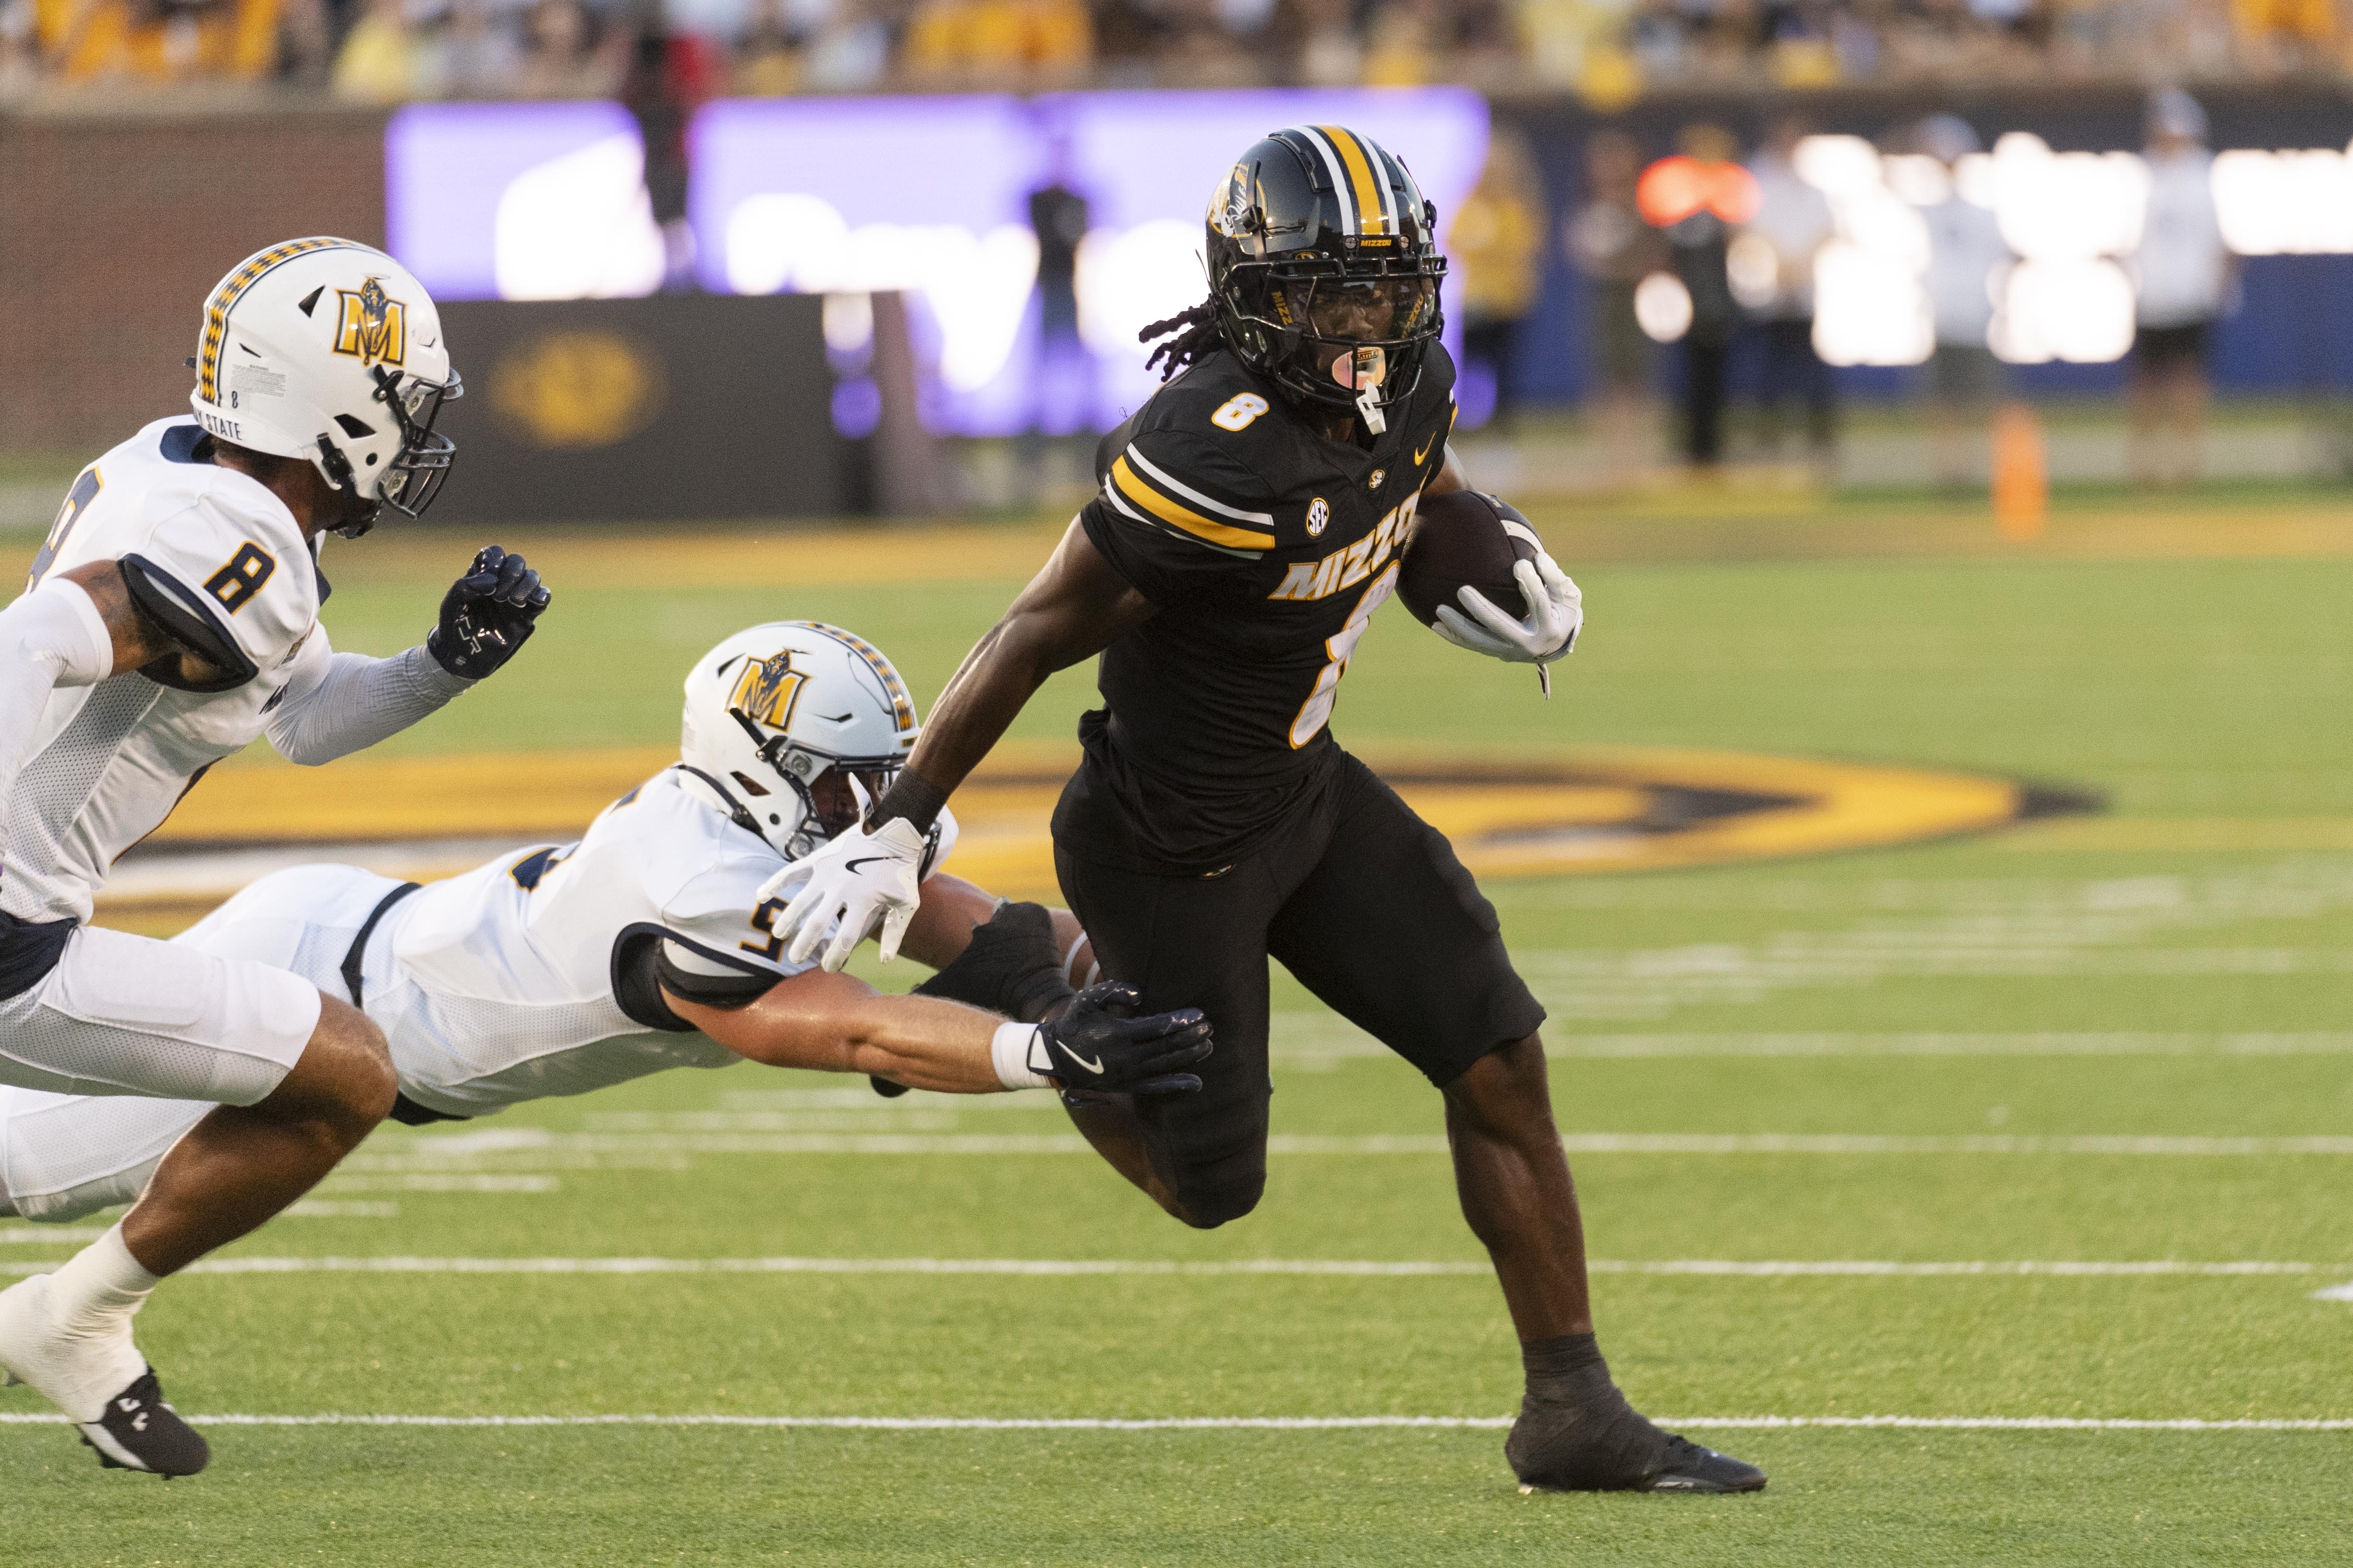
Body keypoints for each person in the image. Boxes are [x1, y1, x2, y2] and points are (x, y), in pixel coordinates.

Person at [762, 126, 1766, 1495]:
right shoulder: (1206, 454)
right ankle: (1030, 974)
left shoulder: (1410, 380)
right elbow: (1032, 630)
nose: (1365, 325)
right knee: (1208, 1189)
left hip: (1307, 792)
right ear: (1250, 291)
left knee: (1496, 1054)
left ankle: (1571, 1407)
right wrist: (896, 821)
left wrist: (1490, 547)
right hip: (1166, 845)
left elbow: (1419, 488)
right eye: (1330, 294)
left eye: (1386, 288)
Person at [0, 621, 1209, 1232]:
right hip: (325, 989)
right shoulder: (696, 874)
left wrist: (1166, 952)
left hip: (351, 946)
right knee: (26, 1171)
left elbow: (987, 931)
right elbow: (845, 1028)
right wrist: (1041, 1048)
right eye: (847, 780)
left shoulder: (780, 829)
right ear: (762, 763)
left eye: (883, 778)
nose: (874, 808)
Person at [0, 238, 551, 1475]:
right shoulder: (233, 535)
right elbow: (30, 640)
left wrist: (438, 667)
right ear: (336, 402)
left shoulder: (184, 469)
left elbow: (295, 719)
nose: (415, 437)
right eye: (403, 405)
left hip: (32, 922)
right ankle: (75, 1318)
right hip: (12, 939)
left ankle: (72, 1318)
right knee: (350, 1076)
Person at [2128, 87, 2231, 488]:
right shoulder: (2143, 174)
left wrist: (2217, 289)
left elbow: (2220, 243)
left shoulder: (2202, 176)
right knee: (2147, 386)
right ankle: (2145, 466)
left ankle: (2187, 466)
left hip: (2191, 296)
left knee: (2188, 383)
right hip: (2152, 296)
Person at [1913, 113, 2012, 488]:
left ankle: (1984, 471)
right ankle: (1949, 473)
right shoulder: (1926, 210)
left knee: (1983, 402)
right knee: (1943, 405)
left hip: (1974, 319)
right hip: (1941, 319)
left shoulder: (1982, 213)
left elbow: (2005, 262)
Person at [1566, 129, 1666, 488]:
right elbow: (1580, 251)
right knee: (1606, 373)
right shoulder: (1589, 207)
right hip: (1603, 297)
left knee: (1635, 373)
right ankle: (1610, 455)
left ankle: (1636, 452)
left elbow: (1654, 252)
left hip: (1635, 296)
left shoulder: (1643, 205)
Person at [1741, 118, 1837, 470]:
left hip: (1804, 291)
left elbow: (1827, 230)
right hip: (1769, 291)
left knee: (1811, 369)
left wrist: (1800, 266)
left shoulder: (1811, 188)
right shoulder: (1759, 181)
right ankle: (1768, 441)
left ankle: (1820, 442)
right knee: (1770, 371)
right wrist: (1779, 264)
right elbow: (1749, 229)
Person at [1446, 129, 1546, 434]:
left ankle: (1502, 426)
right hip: (1476, 301)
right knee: (1470, 365)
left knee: (1506, 367)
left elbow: (1524, 248)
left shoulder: (1518, 209)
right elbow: (1455, 239)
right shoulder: (1471, 205)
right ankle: (1463, 422)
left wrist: (1489, 245)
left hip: (1508, 301)